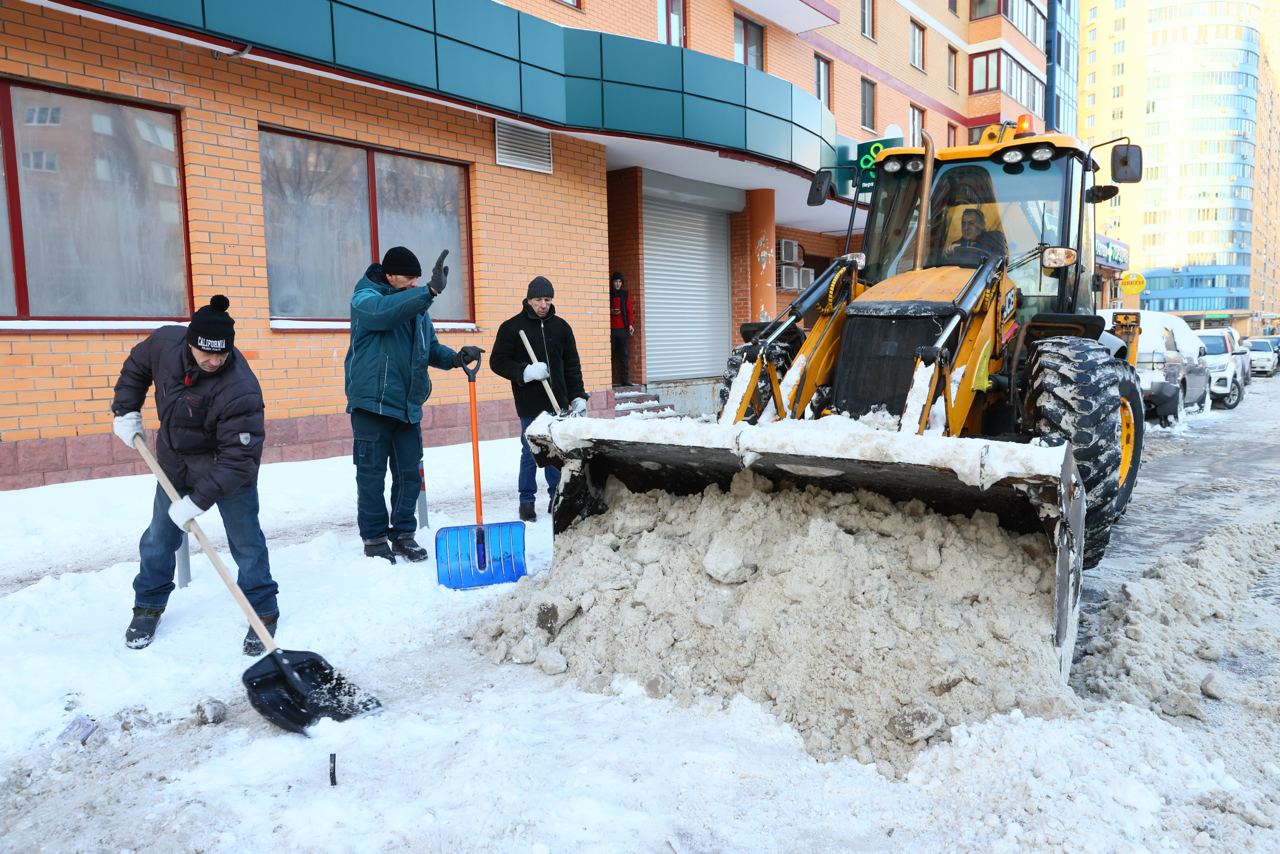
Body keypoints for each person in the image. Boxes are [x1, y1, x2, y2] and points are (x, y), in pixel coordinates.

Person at [111, 295, 280, 655]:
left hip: (228, 472)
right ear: (190, 342)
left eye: (222, 354)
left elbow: (240, 460)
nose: (215, 360)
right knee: (158, 539)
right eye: (207, 353)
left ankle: (263, 611)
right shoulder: (165, 344)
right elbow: (137, 366)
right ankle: (148, 607)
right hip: (174, 465)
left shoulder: (240, 389)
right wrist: (126, 410)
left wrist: (198, 501)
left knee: (246, 542)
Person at [345, 246, 483, 563]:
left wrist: (455, 358)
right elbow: (384, 313)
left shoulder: (417, 309)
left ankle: (404, 534)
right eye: (407, 280)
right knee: (371, 475)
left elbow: (429, 348)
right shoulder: (365, 299)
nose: (412, 286)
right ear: (389, 275)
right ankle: (375, 539)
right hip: (372, 405)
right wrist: (428, 291)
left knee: (410, 475)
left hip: (407, 406)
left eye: (416, 282)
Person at [490, 276, 587, 523]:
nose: (543, 304)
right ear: (529, 299)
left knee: (557, 451)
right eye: (538, 300)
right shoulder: (512, 327)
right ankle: (526, 501)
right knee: (530, 452)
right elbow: (497, 361)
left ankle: (557, 498)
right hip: (530, 403)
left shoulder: (562, 327)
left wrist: (577, 396)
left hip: (558, 403)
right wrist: (525, 372)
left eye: (547, 299)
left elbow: (572, 366)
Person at [608, 271, 635, 386]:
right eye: (616, 281)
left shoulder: (624, 294)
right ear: (612, 282)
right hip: (611, 329)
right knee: (611, 354)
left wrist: (630, 324)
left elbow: (629, 310)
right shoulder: (608, 293)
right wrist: (610, 311)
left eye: (619, 281)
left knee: (624, 355)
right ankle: (609, 380)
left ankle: (625, 379)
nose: (618, 284)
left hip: (623, 328)